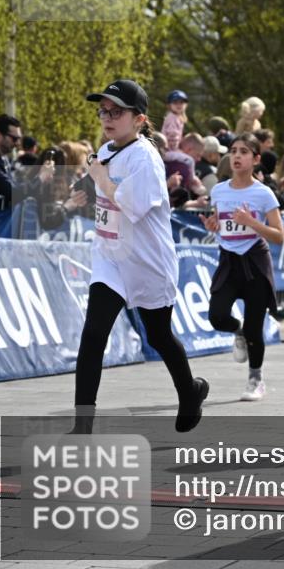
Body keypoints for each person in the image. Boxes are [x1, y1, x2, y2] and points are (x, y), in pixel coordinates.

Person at [74, 79, 208, 433]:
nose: (107, 117)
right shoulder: (105, 150)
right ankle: (82, 426)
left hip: (148, 262)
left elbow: (129, 204)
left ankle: (190, 391)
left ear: (139, 119)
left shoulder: (146, 157)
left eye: (117, 112)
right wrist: (83, 189)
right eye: (103, 111)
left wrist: (99, 176)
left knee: (159, 335)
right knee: (94, 334)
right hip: (110, 258)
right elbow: (100, 192)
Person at [203, 133, 284, 401]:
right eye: (233, 151)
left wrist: (252, 223)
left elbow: (279, 236)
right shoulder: (218, 190)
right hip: (229, 260)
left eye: (244, 152)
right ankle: (236, 330)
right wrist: (214, 226)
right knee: (217, 316)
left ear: (256, 159)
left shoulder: (263, 193)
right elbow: (223, 225)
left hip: (255, 261)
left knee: (254, 327)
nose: (236, 156)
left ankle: (256, 379)